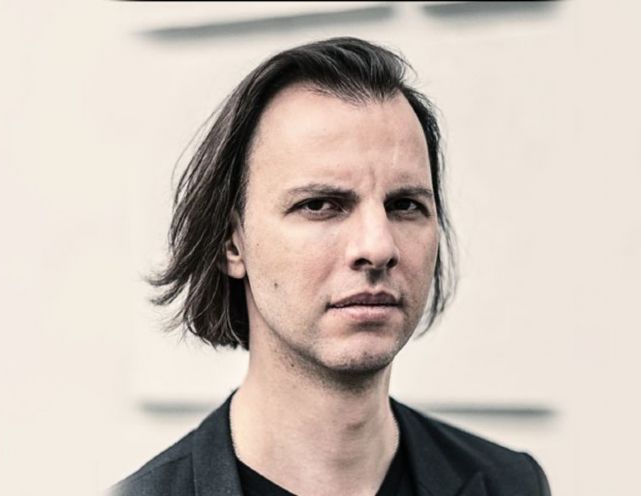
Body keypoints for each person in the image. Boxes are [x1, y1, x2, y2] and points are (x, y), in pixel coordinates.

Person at [113, 37, 550, 496]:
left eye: (404, 205)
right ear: (232, 242)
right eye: (320, 205)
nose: (378, 247)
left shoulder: (512, 484)